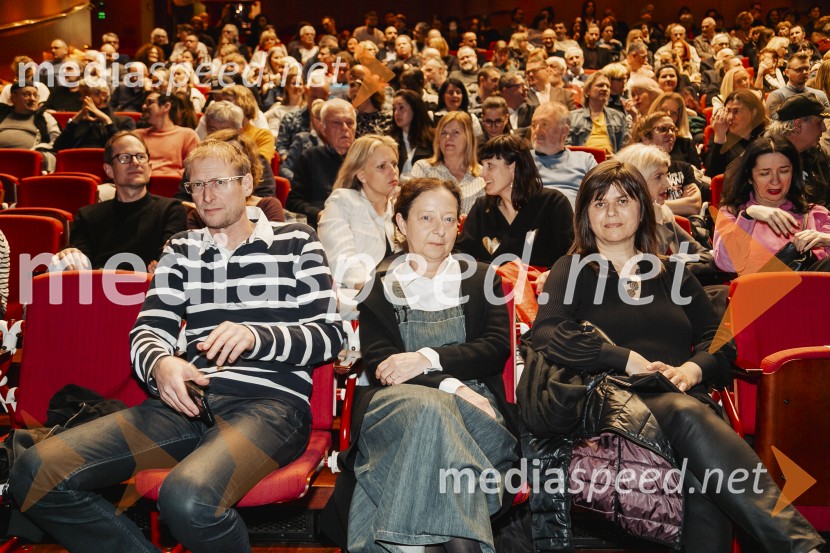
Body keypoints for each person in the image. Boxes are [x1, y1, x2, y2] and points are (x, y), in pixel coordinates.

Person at [11, 139, 344, 552]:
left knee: (187, 498)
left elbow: (330, 334)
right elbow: (148, 330)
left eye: (218, 182)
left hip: (268, 407)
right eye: (196, 185)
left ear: (245, 183)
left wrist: (258, 336)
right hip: (184, 404)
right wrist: (161, 366)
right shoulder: (182, 249)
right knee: (34, 471)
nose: (205, 196)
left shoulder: (297, 240)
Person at [529, 159, 826, 553]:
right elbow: (548, 333)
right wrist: (624, 359)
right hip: (609, 399)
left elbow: (720, 342)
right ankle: (803, 546)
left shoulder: (671, 272)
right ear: (584, 215)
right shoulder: (574, 268)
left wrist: (691, 369)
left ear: (642, 208)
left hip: (680, 395)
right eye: (599, 204)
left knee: (704, 470)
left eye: (622, 201)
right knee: (692, 418)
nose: (612, 212)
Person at [323, 176, 519, 553]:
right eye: (426, 218)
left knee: (433, 436)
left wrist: (424, 358)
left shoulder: (481, 278)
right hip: (397, 407)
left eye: (449, 219)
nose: (439, 230)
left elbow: (495, 349)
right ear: (400, 224)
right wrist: (453, 385)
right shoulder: (378, 287)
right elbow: (383, 365)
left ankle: (416, 546)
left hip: (476, 414)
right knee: (431, 408)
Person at [50, 132, 187, 272]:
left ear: (150, 168)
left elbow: (168, 257)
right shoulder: (87, 216)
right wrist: (70, 255)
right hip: (96, 289)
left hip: (148, 289)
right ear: (109, 170)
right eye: (125, 158)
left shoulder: (171, 210)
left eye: (141, 157)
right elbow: (80, 262)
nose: (135, 163)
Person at [713, 136, 830, 275]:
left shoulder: (815, 214)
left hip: (814, 292)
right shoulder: (733, 213)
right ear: (750, 177)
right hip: (761, 292)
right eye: (765, 173)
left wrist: (826, 240)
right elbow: (726, 264)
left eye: (783, 171)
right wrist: (748, 216)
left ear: (794, 173)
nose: (775, 181)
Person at [456, 134, 574, 269]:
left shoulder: (553, 203)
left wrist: (551, 275)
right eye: (483, 165)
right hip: (492, 287)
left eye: (490, 165)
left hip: (543, 287)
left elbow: (572, 254)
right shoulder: (482, 207)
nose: (482, 173)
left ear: (513, 167)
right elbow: (461, 254)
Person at [318, 135, 401, 319]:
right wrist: (376, 292)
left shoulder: (399, 207)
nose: (392, 171)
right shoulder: (343, 201)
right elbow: (343, 260)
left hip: (397, 294)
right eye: (382, 166)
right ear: (361, 174)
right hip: (356, 297)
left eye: (394, 164)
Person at [185, 130, 283, 227]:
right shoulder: (199, 215)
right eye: (198, 184)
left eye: (219, 182)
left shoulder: (267, 206)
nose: (207, 198)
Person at [286, 98, 356, 227]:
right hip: (325, 225)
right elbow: (294, 201)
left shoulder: (363, 158)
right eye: (336, 123)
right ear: (323, 129)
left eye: (349, 123)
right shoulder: (311, 157)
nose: (345, 128)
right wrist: (318, 214)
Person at [629, 111, 703, 215]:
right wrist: (681, 204)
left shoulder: (684, 168)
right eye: (663, 129)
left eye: (673, 129)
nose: (670, 134)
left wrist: (655, 206)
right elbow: (638, 207)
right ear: (646, 138)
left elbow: (694, 206)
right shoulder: (635, 169)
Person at [411, 111, 485, 214]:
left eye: (455, 132)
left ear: (468, 138)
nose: (448, 137)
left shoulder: (484, 175)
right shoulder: (423, 168)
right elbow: (414, 208)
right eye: (443, 133)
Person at [766, 94, 830, 207]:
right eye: (819, 123)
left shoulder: (817, 153)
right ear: (798, 125)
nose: (824, 128)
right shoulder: (763, 159)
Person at [530, 101, 597, 208]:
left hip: (574, 220)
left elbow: (599, 196)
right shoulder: (520, 160)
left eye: (544, 124)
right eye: (534, 125)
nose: (536, 131)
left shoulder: (585, 160)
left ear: (564, 131)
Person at [53, 80, 135, 151]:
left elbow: (124, 148)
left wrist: (107, 121)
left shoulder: (125, 121)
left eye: (85, 94)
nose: (81, 99)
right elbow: (58, 147)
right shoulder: (79, 121)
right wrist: (76, 119)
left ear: (103, 95)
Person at [133, 92, 200, 177]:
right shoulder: (136, 136)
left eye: (149, 102)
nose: (144, 107)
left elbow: (194, 168)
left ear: (166, 106)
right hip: (140, 186)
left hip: (176, 186)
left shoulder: (188, 135)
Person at [705, 89, 768, 177]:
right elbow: (715, 176)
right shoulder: (719, 136)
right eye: (728, 111)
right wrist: (720, 137)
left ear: (753, 113)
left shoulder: (766, 136)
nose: (730, 117)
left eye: (736, 111)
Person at [0, 81, 60, 171]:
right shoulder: (2, 114)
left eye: (35, 95)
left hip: (28, 162)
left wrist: (40, 150)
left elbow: (56, 141)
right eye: (27, 95)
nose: (33, 99)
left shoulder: (44, 117)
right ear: (13, 98)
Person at [568, 72, 626, 154]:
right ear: (588, 91)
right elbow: (567, 146)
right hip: (583, 162)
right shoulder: (573, 117)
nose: (605, 88)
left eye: (608, 86)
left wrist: (616, 158)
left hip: (610, 162)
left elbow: (625, 147)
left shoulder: (619, 116)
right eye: (600, 85)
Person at [648, 92, 702, 168]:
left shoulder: (686, 145)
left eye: (674, 113)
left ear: (678, 119)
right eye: (663, 110)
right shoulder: (645, 142)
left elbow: (697, 176)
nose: (668, 115)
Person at [390, 89, 434, 182]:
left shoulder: (433, 139)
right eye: (394, 109)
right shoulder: (389, 141)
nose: (396, 113)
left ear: (415, 109)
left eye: (401, 108)